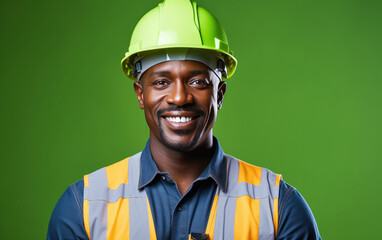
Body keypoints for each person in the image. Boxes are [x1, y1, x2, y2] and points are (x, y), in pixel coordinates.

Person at [47, 0, 321, 239]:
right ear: (140, 95)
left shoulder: (277, 207)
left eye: (198, 81)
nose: (179, 97)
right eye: (162, 82)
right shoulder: (83, 207)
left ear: (220, 93)